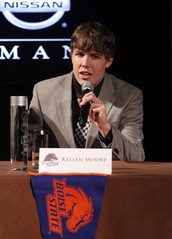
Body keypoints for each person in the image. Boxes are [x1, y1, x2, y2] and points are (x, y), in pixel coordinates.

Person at [28, 21, 145, 161]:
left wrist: (105, 128)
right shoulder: (43, 92)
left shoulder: (129, 96)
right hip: (57, 180)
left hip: (106, 182)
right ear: (71, 55)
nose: (85, 63)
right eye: (79, 54)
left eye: (94, 56)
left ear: (108, 61)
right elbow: (27, 150)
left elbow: (136, 156)